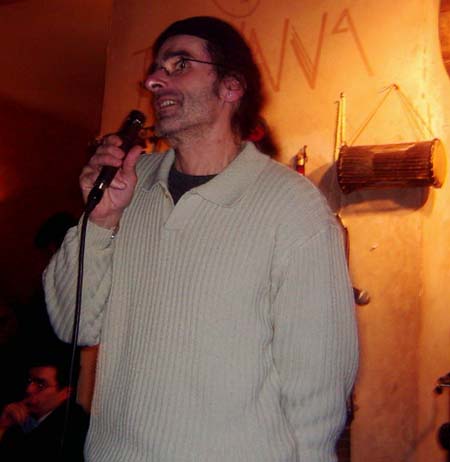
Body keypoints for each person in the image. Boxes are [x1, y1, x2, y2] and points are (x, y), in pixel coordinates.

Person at [44, 16, 359, 462]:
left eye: (179, 65)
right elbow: (73, 324)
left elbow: (318, 386)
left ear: (231, 87)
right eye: (156, 69)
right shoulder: (129, 183)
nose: (154, 81)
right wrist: (100, 220)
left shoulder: (292, 207)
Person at [0, 354, 89, 461]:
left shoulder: (73, 424)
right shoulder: (23, 413)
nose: (29, 389)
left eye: (40, 384)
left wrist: (3, 430)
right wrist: (4, 424)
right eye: (30, 381)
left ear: (65, 392)